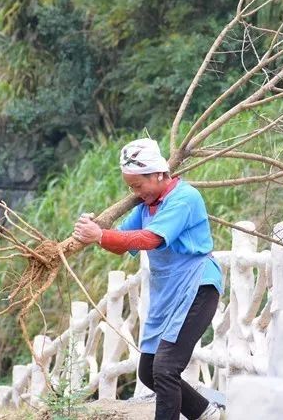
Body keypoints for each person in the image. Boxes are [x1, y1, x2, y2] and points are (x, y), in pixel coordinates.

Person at [72, 138, 224, 420]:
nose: (136, 192)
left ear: (157, 174)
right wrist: (96, 233)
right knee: (149, 370)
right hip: (168, 294)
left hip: (197, 288)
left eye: (138, 185)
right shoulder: (145, 208)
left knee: (165, 369)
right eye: (131, 188)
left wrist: (100, 235)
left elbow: (151, 239)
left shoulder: (184, 199)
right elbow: (123, 244)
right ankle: (208, 415)